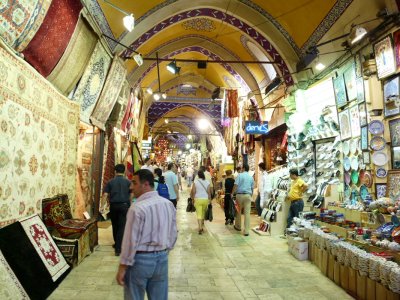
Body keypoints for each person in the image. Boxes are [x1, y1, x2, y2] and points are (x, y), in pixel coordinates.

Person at [116, 169, 177, 300]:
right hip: (162, 259)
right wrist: (164, 251)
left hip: (140, 261)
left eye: (134, 183)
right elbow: (173, 234)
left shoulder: (137, 208)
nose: (131, 187)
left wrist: (122, 267)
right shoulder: (167, 204)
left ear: (146, 184)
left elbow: (130, 241)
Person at [102, 164, 133, 256]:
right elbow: (131, 194)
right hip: (124, 206)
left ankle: (117, 245)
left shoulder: (110, 182)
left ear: (115, 172)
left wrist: (102, 206)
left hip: (114, 206)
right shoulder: (128, 182)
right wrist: (130, 203)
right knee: (122, 226)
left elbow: (105, 195)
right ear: (124, 171)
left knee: (115, 225)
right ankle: (119, 247)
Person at [231, 164, 254, 236]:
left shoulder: (240, 175)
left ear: (243, 168)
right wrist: (251, 195)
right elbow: (252, 188)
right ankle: (246, 231)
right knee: (247, 213)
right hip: (248, 195)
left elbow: (236, 185)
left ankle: (238, 226)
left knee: (238, 211)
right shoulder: (251, 177)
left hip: (239, 195)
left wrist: (232, 193)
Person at [190, 169, 211, 234]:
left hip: (198, 199)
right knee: (203, 213)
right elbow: (209, 192)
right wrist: (209, 200)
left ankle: (200, 227)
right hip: (205, 199)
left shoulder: (196, 182)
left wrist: (193, 199)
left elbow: (193, 191)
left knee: (199, 214)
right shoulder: (207, 182)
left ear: (198, 175)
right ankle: (202, 225)